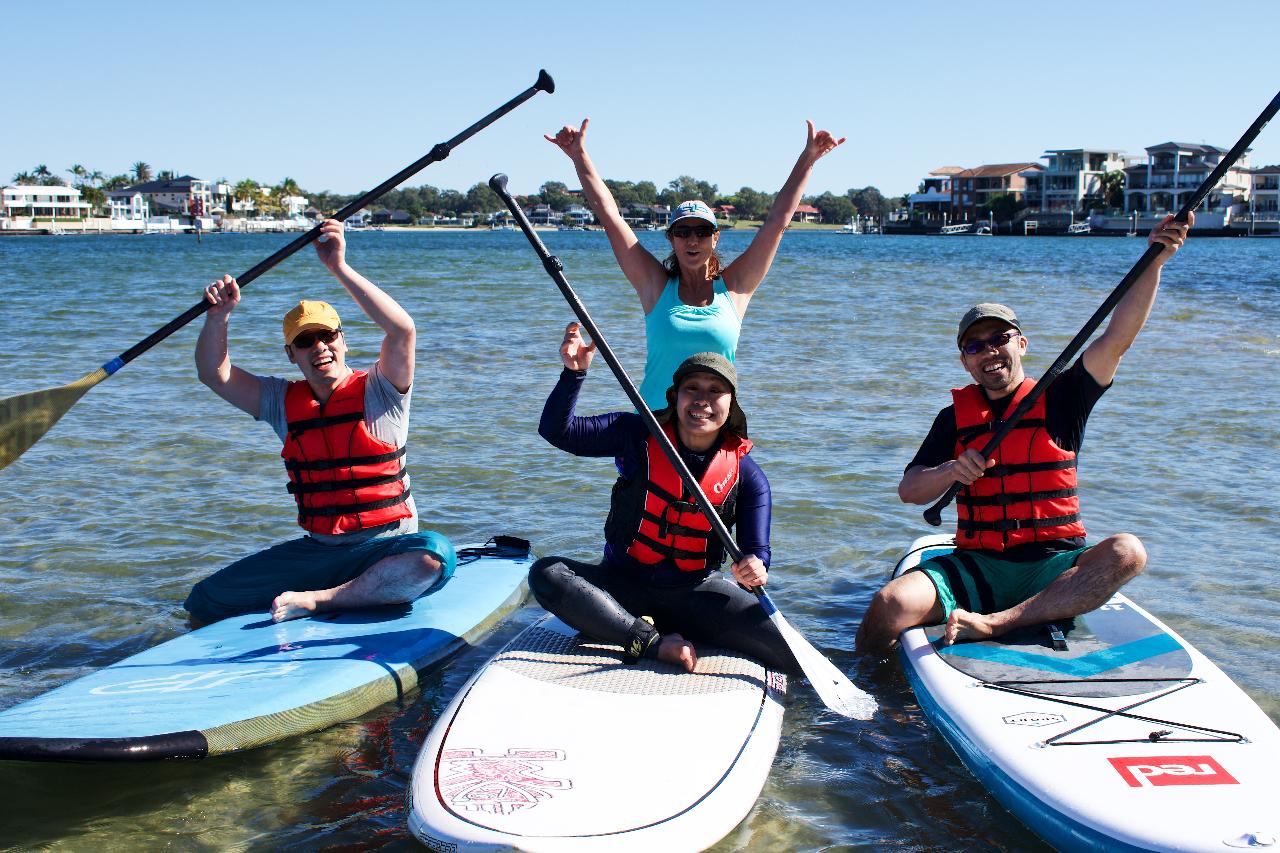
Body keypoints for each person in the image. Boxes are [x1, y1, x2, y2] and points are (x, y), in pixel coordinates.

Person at [855, 213, 1194, 655]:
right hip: (979, 565)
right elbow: (910, 491)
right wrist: (951, 470)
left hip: (1054, 566)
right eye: (975, 346)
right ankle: (864, 688)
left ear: (1021, 344)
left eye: (999, 338)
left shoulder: (1064, 397)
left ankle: (998, 623)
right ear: (965, 362)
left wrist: (1156, 261)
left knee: (1128, 552)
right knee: (889, 604)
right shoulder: (953, 418)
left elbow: (1117, 338)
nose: (989, 351)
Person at [184, 218, 455, 625]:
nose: (320, 347)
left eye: (327, 336)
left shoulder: (381, 389)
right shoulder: (280, 401)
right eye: (305, 341)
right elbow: (214, 374)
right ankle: (344, 592)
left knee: (433, 556)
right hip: (319, 551)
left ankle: (321, 600)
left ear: (343, 340)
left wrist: (338, 266)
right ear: (291, 354)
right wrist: (218, 316)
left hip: (386, 546)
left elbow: (402, 330)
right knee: (205, 599)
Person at [529, 322, 800, 674]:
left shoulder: (749, 477)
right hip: (621, 590)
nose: (702, 399)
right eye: (692, 388)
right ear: (676, 397)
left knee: (792, 649)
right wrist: (573, 374)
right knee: (546, 574)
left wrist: (755, 568)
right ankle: (651, 643)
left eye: (715, 390)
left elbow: (758, 553)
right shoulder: (635, 434)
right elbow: (557, 431)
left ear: (731, 404)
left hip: (696, 597)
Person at [544, 118, 846, 410]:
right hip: (653, 428)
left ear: (715, 238)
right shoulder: (655, 287)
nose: (692, 240)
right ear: (671, 239)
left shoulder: (735, 289)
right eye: (683, 232)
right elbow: (611, 217)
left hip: (713, 427)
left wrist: (809, 158)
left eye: (702, 232)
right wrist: (579, 156)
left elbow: (777, 222)